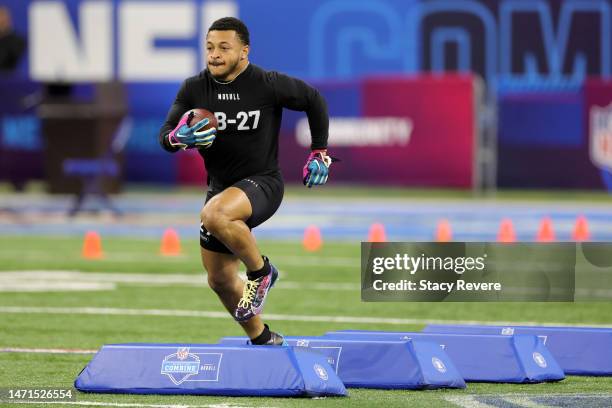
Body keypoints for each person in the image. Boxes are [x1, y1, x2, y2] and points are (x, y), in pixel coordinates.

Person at [159, 17, 333, 345]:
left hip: (263, 183)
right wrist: (177, 137)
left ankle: (261, 272)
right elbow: (165, 136)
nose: (214, 54)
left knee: (214, 214)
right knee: (220, 279)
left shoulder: (266, 83)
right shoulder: (194, 88)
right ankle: (262, 337)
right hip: (221, 189)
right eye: (210, 47)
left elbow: (314, 100)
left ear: (244, 51)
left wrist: (319, 150)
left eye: (224, 47)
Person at [0, 6, 26, 72]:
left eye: (3, 17)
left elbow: (6, 59)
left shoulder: (17, 41)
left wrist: (5, 33)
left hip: (8, 79)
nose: (1, 20)